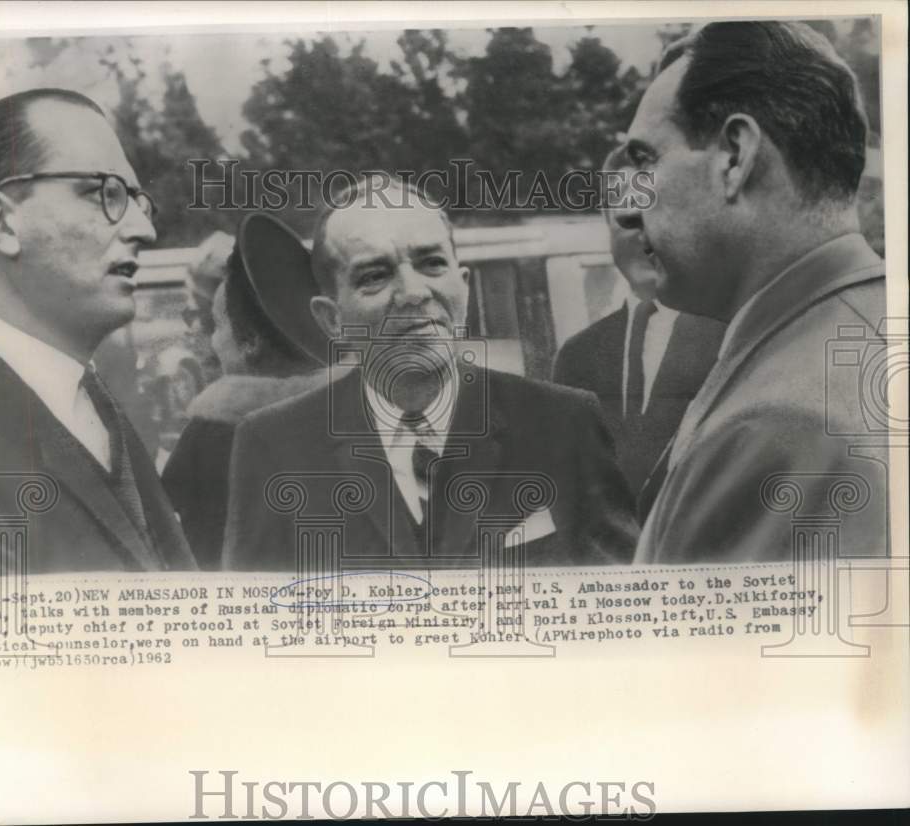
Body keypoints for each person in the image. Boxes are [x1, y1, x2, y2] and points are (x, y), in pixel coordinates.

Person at [222, 179, 639, 571]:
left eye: (432, 264)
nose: (414, 292)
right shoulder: (273, 446)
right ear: (332, 319)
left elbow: (621, 612)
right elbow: (257, 626)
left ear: (464, 287)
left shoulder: (562, 424)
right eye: (375, 276)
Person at [614, 22, 889, 564]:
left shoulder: (786, 421)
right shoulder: (865, 326)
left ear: (735, 157)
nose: (626, 207)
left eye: (645, 161)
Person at [0, 88, 197, 574]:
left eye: (137, 200)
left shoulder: (96, 401)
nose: (144, 229)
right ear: (2, 222)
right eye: (104, 193)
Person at [552, 147, 725, 504]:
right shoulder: (577, 356)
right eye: (629, 219)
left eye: (664, 216)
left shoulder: (738, 335)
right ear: (606, 222)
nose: (647, 236)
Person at [162, 215, 330, 569]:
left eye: (217, 325)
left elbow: (189, 550)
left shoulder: (215, 431)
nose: (210, 339)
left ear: (250, 343)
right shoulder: (351, 414)